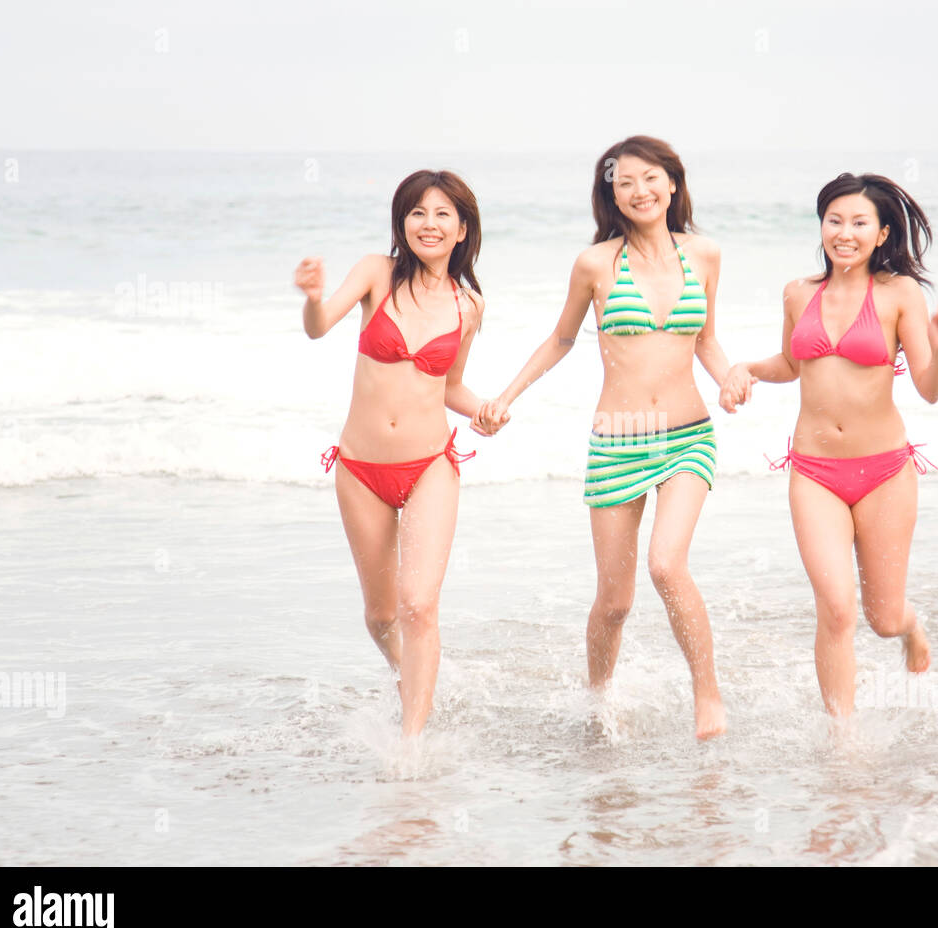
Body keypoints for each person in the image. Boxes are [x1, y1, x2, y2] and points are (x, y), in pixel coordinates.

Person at [477, 136, 732, 739]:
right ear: (611, 195)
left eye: (651, 179)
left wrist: (731, 378)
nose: (640, 191)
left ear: (672, 182)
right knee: (614, 603)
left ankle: (708, 695)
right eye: (625, 183)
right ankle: (598, 702)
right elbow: (561, 339)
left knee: (667, 565)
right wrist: (504, 398)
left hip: (688, 436)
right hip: (616, 441)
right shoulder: (596, 265)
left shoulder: (705, 254)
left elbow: (706, 340)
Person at [720, 172, 938, 719]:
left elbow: (929, 389)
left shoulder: (900, 295)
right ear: (821, 226)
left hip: (885, 473)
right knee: (835, 608)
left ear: (881, 234)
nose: (844, 233)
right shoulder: (798, 293)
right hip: (815, 471)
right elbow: (790, 364)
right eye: (834, 220)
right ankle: (842, 742)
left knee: (883, 617)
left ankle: (911, 627)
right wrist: (743, 368)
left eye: (858, 223)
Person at [294, 170, 492, 738]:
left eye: (442, 215)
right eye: (416, 213)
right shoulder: (376, 273)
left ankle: (412, 743)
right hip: (360, 469)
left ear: (461, 230)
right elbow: (318, 328)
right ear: (401, 223)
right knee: (382, 615)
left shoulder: (468, 304)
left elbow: (451, 386)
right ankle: (416, 681)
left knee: (418, 604)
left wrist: (482, 410)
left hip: (431, 464)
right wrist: (312, 298)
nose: (428, 224)